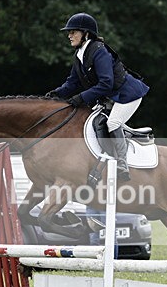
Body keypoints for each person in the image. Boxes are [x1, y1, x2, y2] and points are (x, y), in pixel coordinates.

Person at [47, 12, 149, 181]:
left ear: (86, 34)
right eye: (69, 32)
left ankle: (122, 164)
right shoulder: (80, 55)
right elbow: (72, 83)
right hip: (110, 97)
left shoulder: (99, 51)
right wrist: (55, 94)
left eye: (73, 32)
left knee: (112, 123)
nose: (69, 35)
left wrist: (80, 98)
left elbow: (106, 83)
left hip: (128, 95)